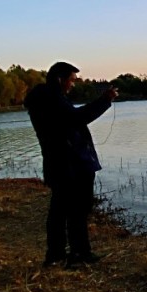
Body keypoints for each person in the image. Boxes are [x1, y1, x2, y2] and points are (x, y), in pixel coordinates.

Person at [24, 62, 118, 267]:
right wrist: (104, 100)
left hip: (58, 164)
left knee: (60, 211)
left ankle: (57, 255)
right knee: (77, 211)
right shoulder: (52, 100)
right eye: (72, 80)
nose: (73, 85)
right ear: (60, 79)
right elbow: (77, 118)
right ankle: (79, 254)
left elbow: (72, 119)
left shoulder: (45, 100)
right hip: (71, 165)